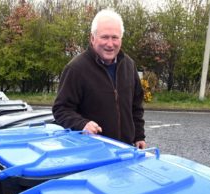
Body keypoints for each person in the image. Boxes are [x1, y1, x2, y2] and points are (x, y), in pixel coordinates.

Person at [52, 9, 146, 149]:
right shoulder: (76, 69)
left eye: (115, 37)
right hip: (91, 153)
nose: (110, 44)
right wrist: (82, 124)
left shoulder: (129, 65)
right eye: (104, 37)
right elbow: (61, 109)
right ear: (92, 38)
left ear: (121, 39)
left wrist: (139, 136)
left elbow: (136, 106)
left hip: (125, 150)